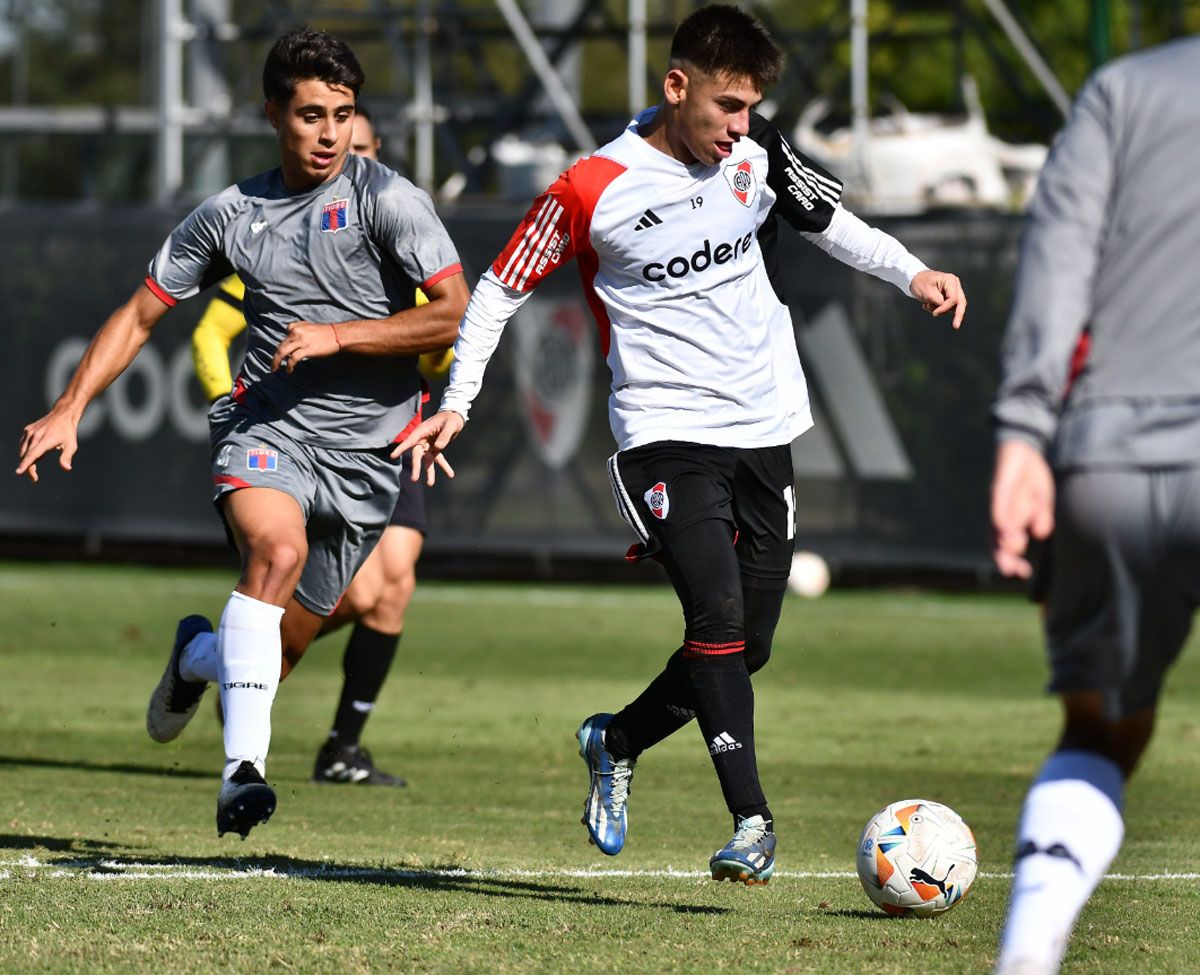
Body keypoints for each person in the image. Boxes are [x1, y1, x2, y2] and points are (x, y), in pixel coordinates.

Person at [398, 3, 965, 883]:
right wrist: (458, 401)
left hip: (765, 425)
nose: (740, 128)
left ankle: (616, 738)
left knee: (751, 646)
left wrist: (912, 271)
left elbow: (828, 222)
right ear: (676, 86)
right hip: (663, 433)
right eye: (727, 107)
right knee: (718, 617)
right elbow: (499, 289)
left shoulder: (756, 150)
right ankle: (753, 821)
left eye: (749, 110)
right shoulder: (589, 187)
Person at [17, 26, 469, 839]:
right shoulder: (230, 214)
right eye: (309, 114)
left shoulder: (389, 199)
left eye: (342, 113)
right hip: (269, 428)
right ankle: (241, 776)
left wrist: (339, 334)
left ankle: (196, 655)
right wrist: (71, 404)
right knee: (277, 553)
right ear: (272, 114)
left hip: (370, 458)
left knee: (274, 652)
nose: (329, 132)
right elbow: (142, 312)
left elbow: (451, 310)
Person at [989, 35, 1200, 975]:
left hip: (1113, 454)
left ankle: (1029, 950)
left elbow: (1059, 258)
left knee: (1103, 726)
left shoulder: (1123, 91)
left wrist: (1024, 432)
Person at [191, 104, 453, 788]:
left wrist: (422, 366)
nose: (340, 151)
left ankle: (335, 739)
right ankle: (239, 695)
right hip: (291, 439)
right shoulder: (273, 240)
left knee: (390, 587)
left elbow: (443, 332)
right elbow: (209, 332)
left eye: (358, 142)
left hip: (386, 437)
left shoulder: (396, 219)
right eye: (324, 130)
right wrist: (236, 405)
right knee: (309, 569)